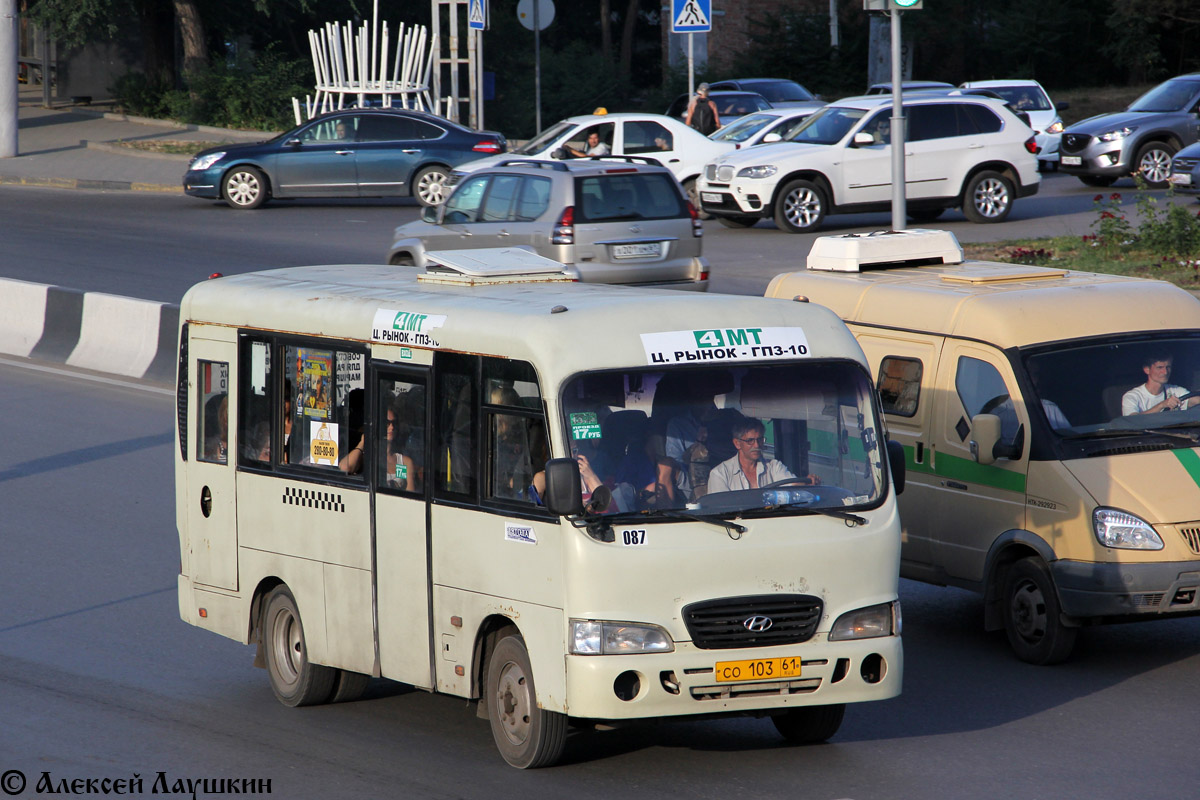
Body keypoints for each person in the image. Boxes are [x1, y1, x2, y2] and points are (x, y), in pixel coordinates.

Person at [708, 418, 818, 493]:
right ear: (737, 443)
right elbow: (721, 511)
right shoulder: (719, 474)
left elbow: (792, 486)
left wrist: (806, 482)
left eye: (760, 439)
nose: (756, 445)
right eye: (750, 440)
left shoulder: (774, 467)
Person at [1122, 354, 1195, 415]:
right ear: (1147, 370)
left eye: (1168, 367)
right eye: (1160, 367)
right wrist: (1162, 405)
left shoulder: (1175, 390)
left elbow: (1194, 400)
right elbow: (1132, 421)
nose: (1165, 372)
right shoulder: (1132, 396)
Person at [384, 394, 420, 491]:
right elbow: (345, 466)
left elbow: (410, 493)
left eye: (394, 423)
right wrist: (363, 442)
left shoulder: (404, 462)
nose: (392, 427)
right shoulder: (370, 458)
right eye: (387, 423)